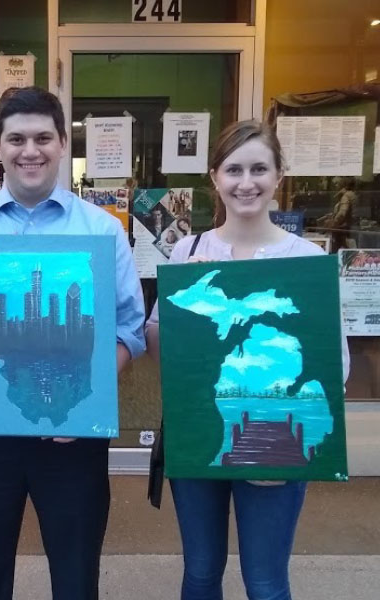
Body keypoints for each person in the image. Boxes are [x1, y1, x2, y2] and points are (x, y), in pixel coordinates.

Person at [0, 86, 145, 600]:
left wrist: (86, 404)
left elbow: (128, 328)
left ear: (63, 143)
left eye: (43, 137)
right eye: (16, 138)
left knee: (77, 576)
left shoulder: (102, 229)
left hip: (71, 436)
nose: (29, 150)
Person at [145, 119, 350, 600]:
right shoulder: (187, 251)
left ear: (280, 175)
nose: (246, 182)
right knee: (199, 572)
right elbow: (157, 346)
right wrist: (182, 308)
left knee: (265, 581)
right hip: (200, 430)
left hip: (275, 432)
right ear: (214, 177)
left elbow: (333, 365)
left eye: (260, 168)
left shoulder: (306, 258)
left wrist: (293, 435)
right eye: (233, 169)